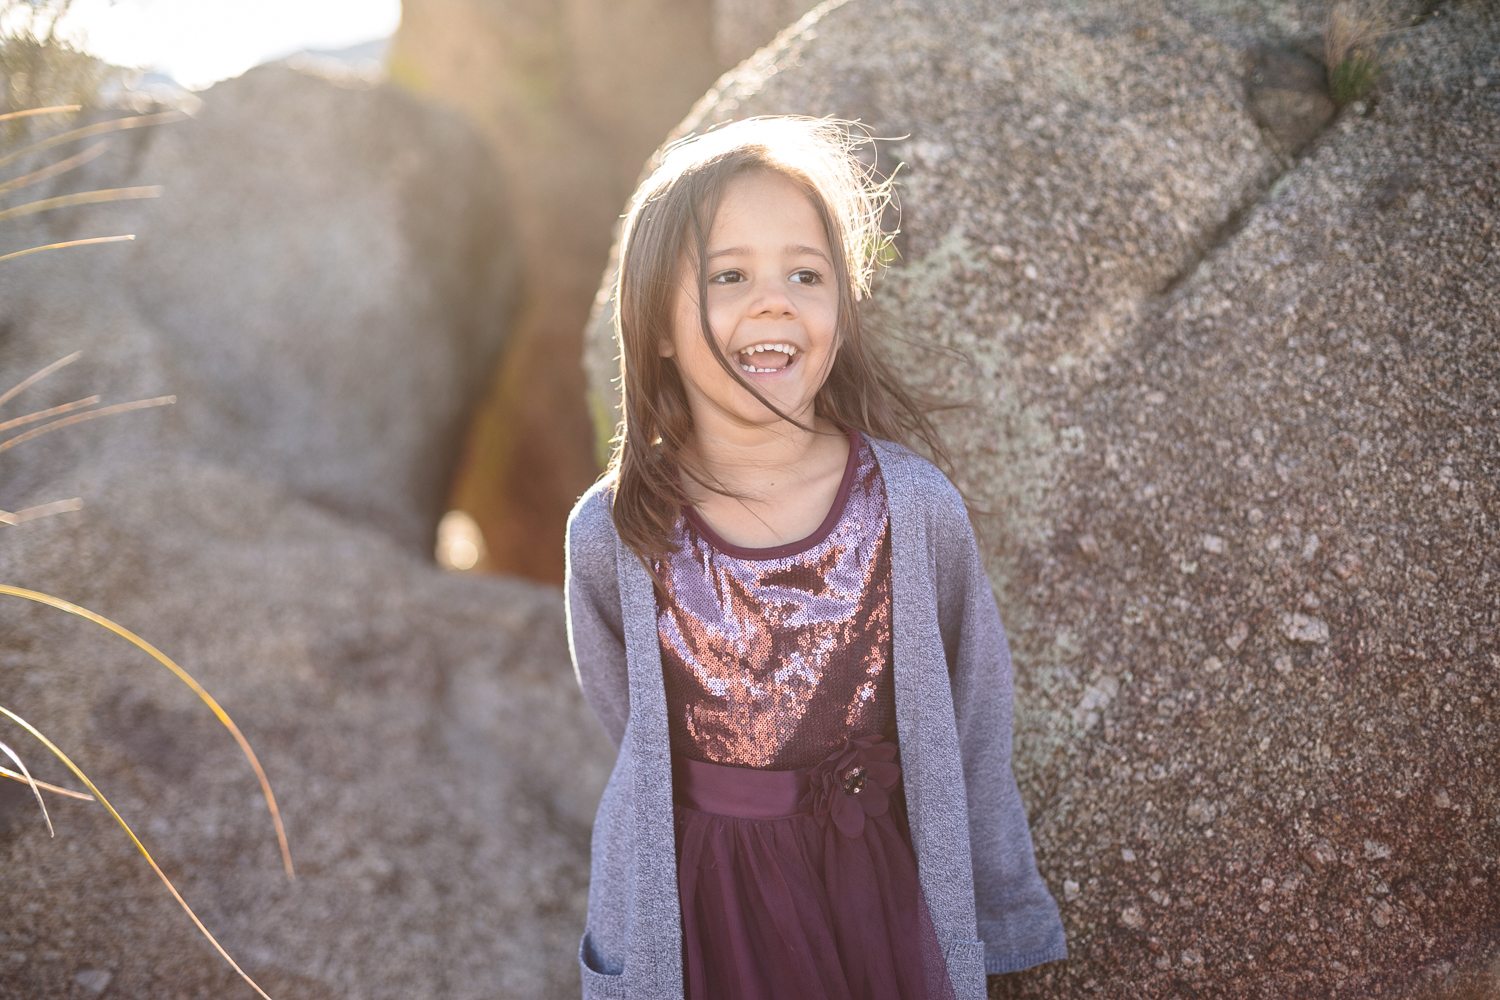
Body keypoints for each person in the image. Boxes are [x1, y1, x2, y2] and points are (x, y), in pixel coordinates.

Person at [564, 116, 1066, 1000]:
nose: (774, 300)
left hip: (877, 894)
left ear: (842, 305)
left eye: (806, 273)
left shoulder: (909, 510)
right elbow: (629, 726)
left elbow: (975, 715)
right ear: (659, 327)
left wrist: (995, 913)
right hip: (706, 904)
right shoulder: (615, 533)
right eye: (729, 276)